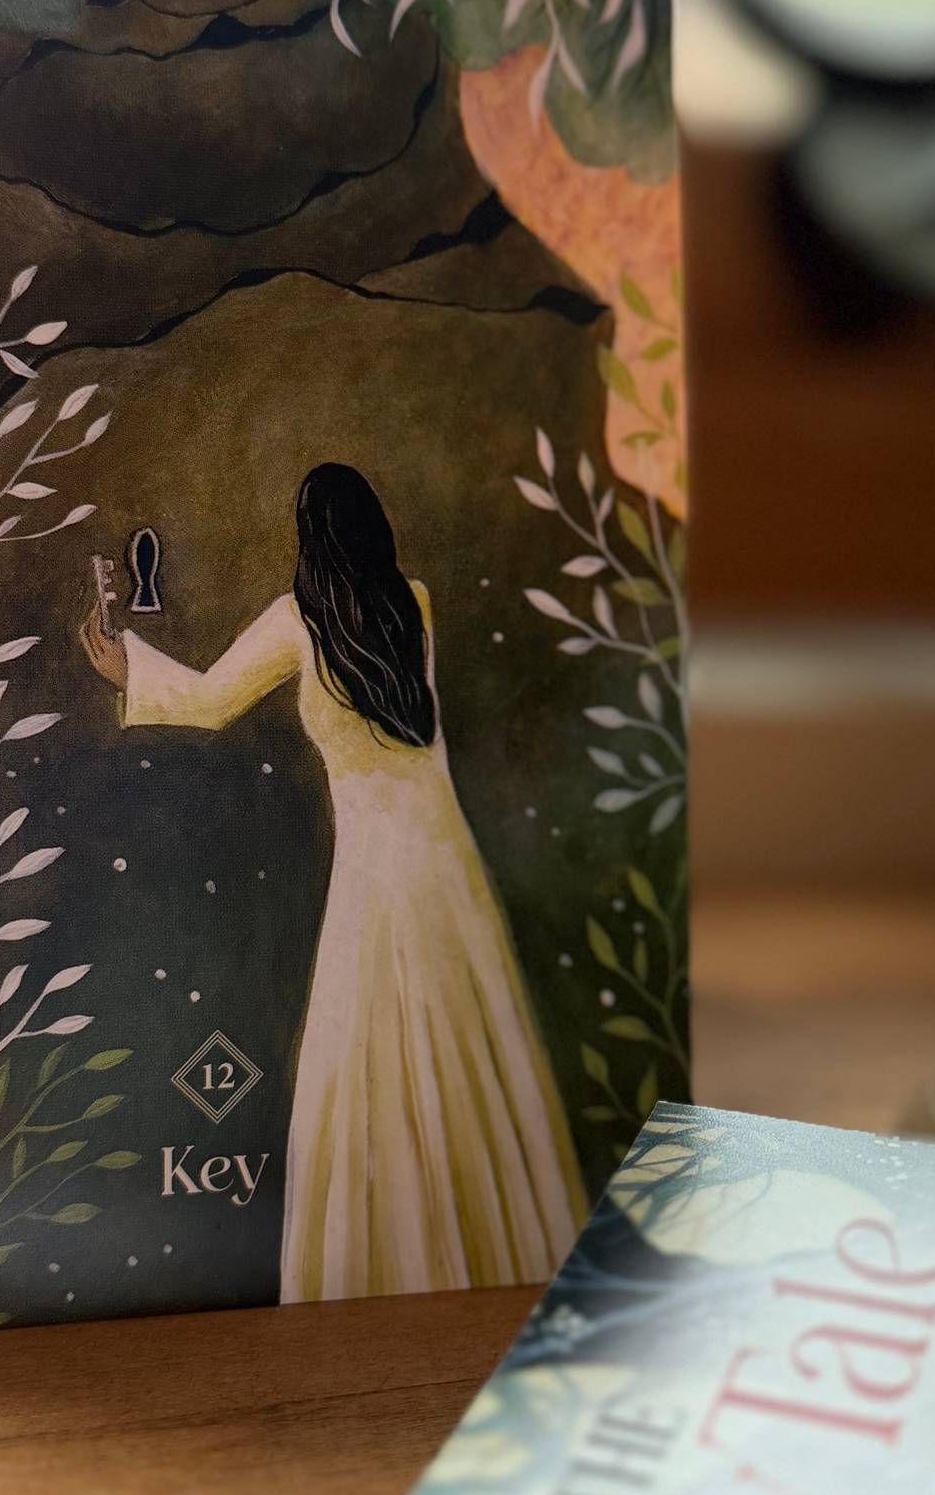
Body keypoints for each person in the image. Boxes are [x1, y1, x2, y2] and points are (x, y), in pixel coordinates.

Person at [82, 463, 584, 1302]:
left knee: (375, 1039)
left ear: (309, 538)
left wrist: (125, 666)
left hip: (379, 867)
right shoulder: (411, 602)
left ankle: (391, 1260)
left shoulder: (297, 621)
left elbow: (207, 703)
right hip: (445, 856)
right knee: (460, 1029)